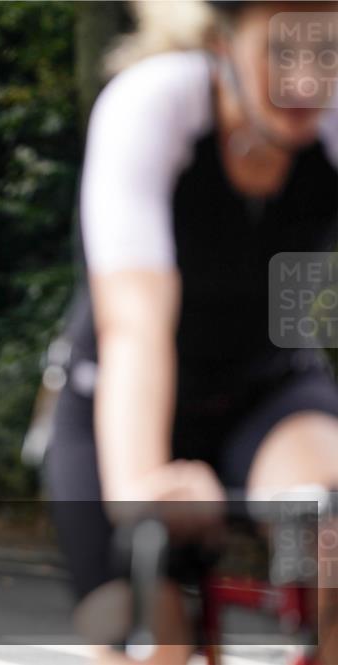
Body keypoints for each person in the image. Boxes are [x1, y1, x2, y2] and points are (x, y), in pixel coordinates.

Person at [44, 2, 338, 663]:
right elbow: (134, 322)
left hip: (267, 396)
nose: (308, 78)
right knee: (154, 634)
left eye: (330, 50)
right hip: (121, 403)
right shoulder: (153, 103)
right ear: (223, 41)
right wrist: (145, 481)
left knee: (331, 547)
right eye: (283, 50)